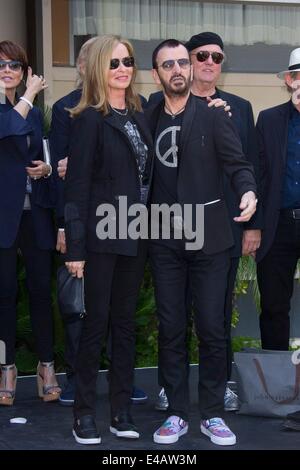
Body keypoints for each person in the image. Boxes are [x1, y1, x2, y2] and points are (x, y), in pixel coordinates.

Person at [147, 39, 257, 446]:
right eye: (167, 64)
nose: (177, 69)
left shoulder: (213, 115)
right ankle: (176, 412)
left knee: (212, 329)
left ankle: (211, 413)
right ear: (157, 73)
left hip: (210, 239)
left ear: (189, 69)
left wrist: (248, 192)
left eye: (181, 62)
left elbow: (238, 163)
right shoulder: (146, 115)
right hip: (163, 239)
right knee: (172, 328)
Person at [64, 35, 152, 444]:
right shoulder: (88, 120)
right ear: (99, 67)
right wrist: (76, 249)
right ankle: (84, 414)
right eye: (114, 62)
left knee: (125, 326)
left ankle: (121, 411)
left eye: (128, 61)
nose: (123, 68)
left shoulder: (139, 113)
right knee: (95, 327)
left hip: (135, 235)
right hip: (100, 240)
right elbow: (77, 189)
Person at [0, 40, 61, 405]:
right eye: (2, 65)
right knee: (5, 295)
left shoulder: (35, 115)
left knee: (41, 292)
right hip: (4, 219)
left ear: (23, 72)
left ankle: (46, 368)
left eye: (15, 66)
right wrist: (31, 93)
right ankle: (6, 370)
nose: (8, 70)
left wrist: (47, 168)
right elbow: (7, 126)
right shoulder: (22, 108)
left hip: (34, 214)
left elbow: (42, 154)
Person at [256, 47, 300, 350]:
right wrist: (253, 226)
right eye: (299, 77)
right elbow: (257, 175)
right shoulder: (269, 120)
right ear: (290, 80)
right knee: (273, 305)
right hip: (279, 224)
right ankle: (276, 383)